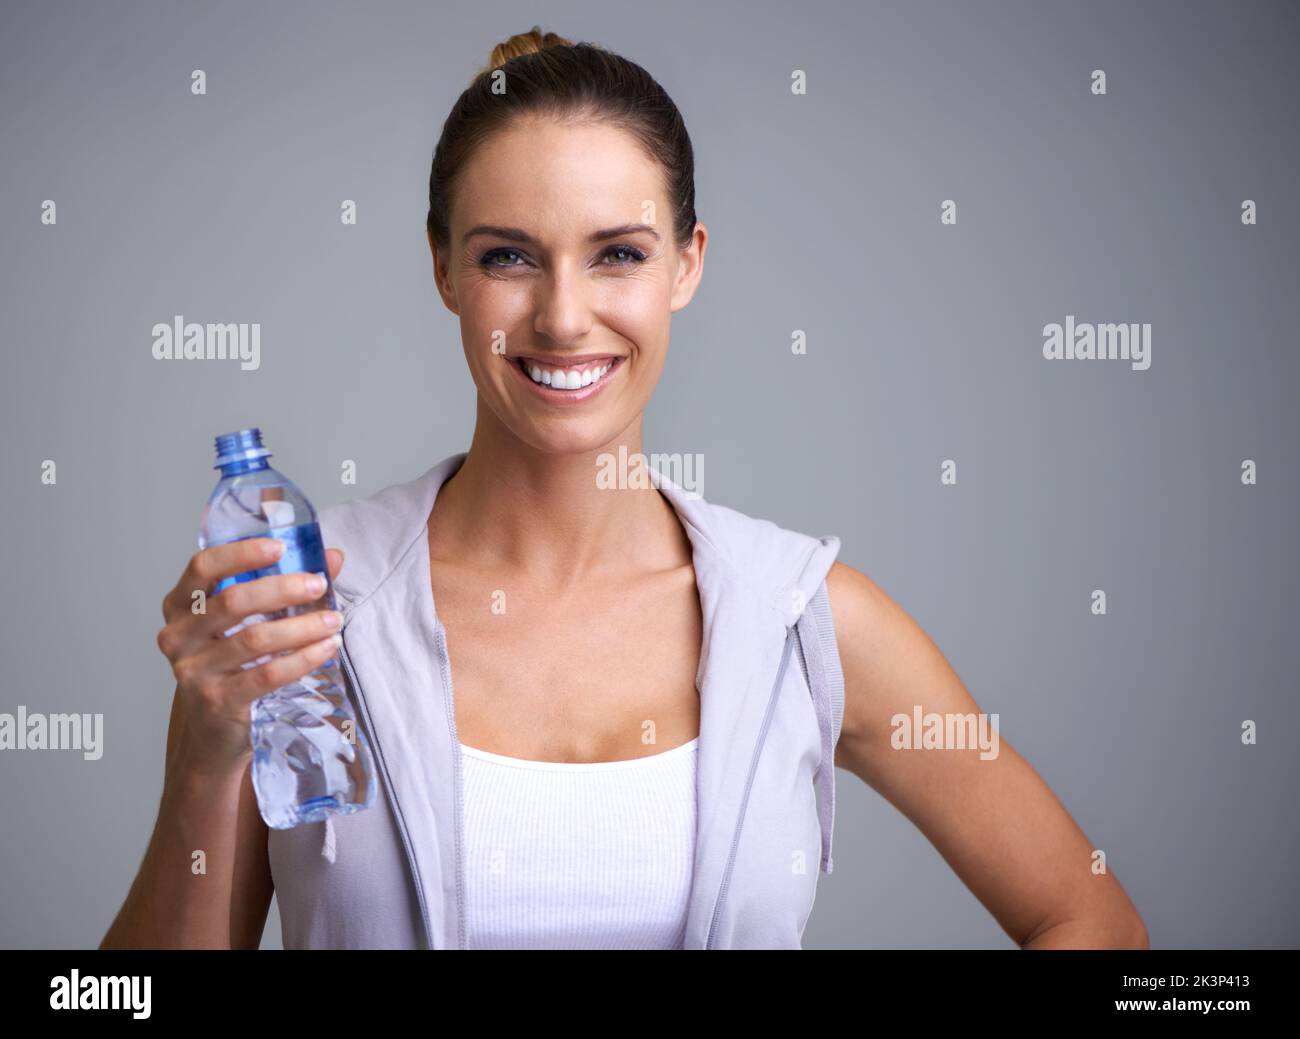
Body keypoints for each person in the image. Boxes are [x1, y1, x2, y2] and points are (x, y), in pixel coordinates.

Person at [102, 27, 1148, 950]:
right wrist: (203, 762)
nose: (563, 317)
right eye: (509, 255)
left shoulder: (800, 620)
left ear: (686, 265)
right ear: (443, 271)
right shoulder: (298, 613)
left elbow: (1090, 918)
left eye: (618, 254)